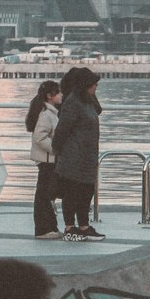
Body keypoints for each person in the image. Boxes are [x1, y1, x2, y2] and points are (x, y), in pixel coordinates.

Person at [52, 66, 104, 241]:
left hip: (88, 156)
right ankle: (70, 226)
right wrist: (58, 149)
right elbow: (63, 128)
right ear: (85, 84)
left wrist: (92, 95)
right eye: (93, 84)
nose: (96, 87)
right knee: (72, 191)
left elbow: (99, 109)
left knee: (86, 190)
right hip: (73, 155)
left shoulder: (88, 101)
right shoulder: (73, 102)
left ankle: (84, 225)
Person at [26, 79, 63, 239]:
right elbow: (40, 137)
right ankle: (43, 229)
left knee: (45, 194)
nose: (61, 95)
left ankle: (49, 228)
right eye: (58, 93)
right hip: (48, 160)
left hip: (48, 159)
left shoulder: (48, 112)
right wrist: (55, 149)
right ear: (49, 96)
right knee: (44, 195)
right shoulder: (47, 114)